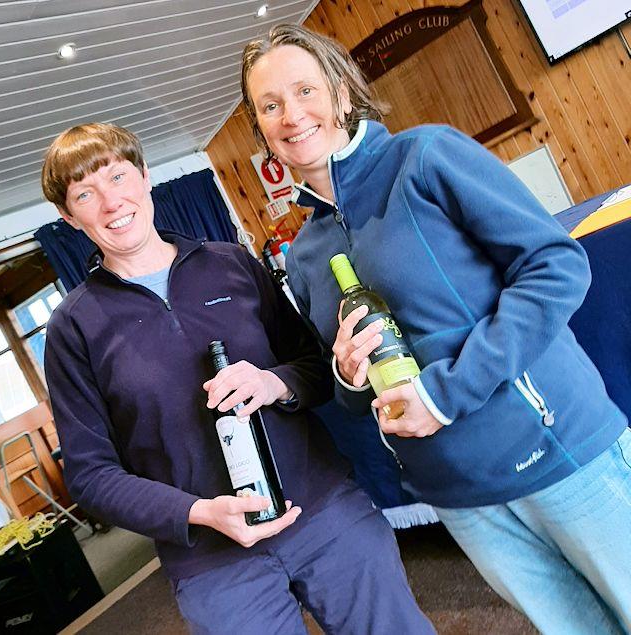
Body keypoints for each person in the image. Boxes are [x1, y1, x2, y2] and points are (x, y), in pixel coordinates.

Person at [240, 23, 631, 635]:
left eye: (305, 91)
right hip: (456, 494)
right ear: (261, 127)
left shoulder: (424, 156)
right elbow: (347, 390)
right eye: (270, 105)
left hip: (558, 451)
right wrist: (346, 372)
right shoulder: (306, 251)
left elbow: (556, 267)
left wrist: (442, 394)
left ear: (343, 93)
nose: (292, 115)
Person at [40, 122, 433, 634]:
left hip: (325, 513)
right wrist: (197, 512)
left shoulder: (229, 264)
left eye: (117, 177)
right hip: (212, 563)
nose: (111, 203)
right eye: (85, 194)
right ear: (69, 217)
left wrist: (274, 384)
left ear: (143, 176)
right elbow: (91, 476)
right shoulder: (73, 327)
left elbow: (316, 368)